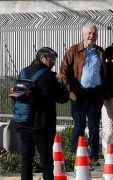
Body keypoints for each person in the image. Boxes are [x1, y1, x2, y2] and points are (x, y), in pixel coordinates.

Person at [14, 47, 69, 180]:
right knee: (46, 161)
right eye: (52, 60)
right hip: (42, 125)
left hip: (23, 122)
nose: (53, 63)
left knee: (26, 160)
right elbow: (63, 98)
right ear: (42, 58)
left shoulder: (23, 72)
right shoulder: (47, 76)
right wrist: (62, 85)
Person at [58, 24, 106, 166]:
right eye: (89, 33)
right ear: (83, 34)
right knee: (79, 125)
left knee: (94, 126)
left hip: (95, 93)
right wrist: (69, 87)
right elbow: (63, 70)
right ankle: (75, 154)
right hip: (79, 94)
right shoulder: (74, 50)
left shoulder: (100, 52)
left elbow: (104, 71)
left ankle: (94, 157)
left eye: (94, 34)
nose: (92, 36)